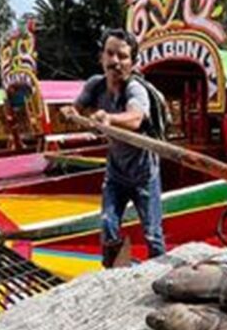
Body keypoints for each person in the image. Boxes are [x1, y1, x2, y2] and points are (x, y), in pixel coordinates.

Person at [69, 28, 166, 268]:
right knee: (107, 224)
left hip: (144, 172)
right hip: (116, 171)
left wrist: (110, 119)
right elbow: (76, 109)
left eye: (122, 56)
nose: (115, 62)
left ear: (132, 62)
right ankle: (115, 275)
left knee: (153, 233)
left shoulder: (135, 89)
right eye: (110, 54)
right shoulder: (95, 85)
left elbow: (135, 118)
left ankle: (163, 276)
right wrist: (73, 114)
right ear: (101, 57)